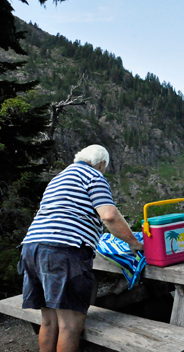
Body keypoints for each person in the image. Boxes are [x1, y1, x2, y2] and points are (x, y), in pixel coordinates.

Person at [18, 145, 144, 352]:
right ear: (102, 163)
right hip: (63, 251)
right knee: (70, 324)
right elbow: (109, 215)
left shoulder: (58, 178)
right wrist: (134, 243)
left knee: (49, 321)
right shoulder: (94, 176)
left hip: (32, 248)